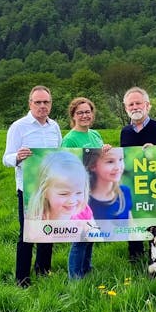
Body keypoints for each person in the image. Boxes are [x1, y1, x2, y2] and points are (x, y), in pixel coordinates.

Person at [3, 85, 62, 287]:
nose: (42, 106)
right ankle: (22, 278)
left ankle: (43, 270)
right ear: (30, 104)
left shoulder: (54, 127)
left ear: (51, 104)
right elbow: (6, 158)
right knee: (27, 234)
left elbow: (59, 153)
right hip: (28, 190)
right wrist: (17, 157)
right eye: (38, 102)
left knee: (48, 230)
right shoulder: (19, 127)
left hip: (51, 188)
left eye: (46, 102)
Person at [119, 87, 156, 260]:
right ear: (126, 108)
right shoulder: (125, 132)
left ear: (147, 105)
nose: (135, 107)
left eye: (138, 103)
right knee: (134, 220)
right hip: (135, 185)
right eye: (131, 104)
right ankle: (135, 257)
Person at [61, 96, 104, 279]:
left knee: (90, 234)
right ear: (73, 116)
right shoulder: (70, 139)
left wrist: (106, 149)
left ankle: (86, 269)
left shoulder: (95, 135)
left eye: (87, 112)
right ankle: (74, 278)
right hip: (79, 193)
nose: (85, 115)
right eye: (80, 113)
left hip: (95, 191)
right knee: (79, 237)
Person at [82, 145, 133, 264]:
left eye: (121, 160)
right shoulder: (84, 198)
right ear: (93, 165)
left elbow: (131, 227)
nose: (118, 167)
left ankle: (136, 261)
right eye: (110, 162)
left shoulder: (124, 192)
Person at [25, 150, 89, 222]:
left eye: (79, 193)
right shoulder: (37, 219)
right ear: (45, 192)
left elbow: (93, 230)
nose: (72, 201)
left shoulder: (83, 211)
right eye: (64, 194)